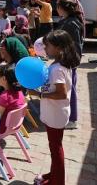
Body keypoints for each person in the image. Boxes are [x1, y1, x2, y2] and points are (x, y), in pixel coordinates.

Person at [30, 30, 80, 185]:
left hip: (55, 114)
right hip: (57, 113)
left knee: (56, 149)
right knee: (56, 147)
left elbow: (61, 93)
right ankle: (53, 175)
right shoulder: (61, 63)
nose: (45, 48)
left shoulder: (57, 68)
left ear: (58, 48)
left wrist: (39, 95)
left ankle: (57, 181)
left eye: (48, 45)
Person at [55, 0, 85, 130]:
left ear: (62, 7)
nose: (57, 9)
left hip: (69, 62)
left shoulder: (71, 23)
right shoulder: (67, 21)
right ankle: (68, 116)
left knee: (70, 90)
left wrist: (73, 63)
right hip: (65, 61)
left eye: (57, 6)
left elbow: (77, 46)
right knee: (68, 89)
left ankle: (72, 120)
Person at [0, 65, 25, 134]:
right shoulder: (19, 92)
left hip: (1, 128)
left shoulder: (5, 96)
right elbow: (9, 109)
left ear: (4, 78)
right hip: (14, 126)